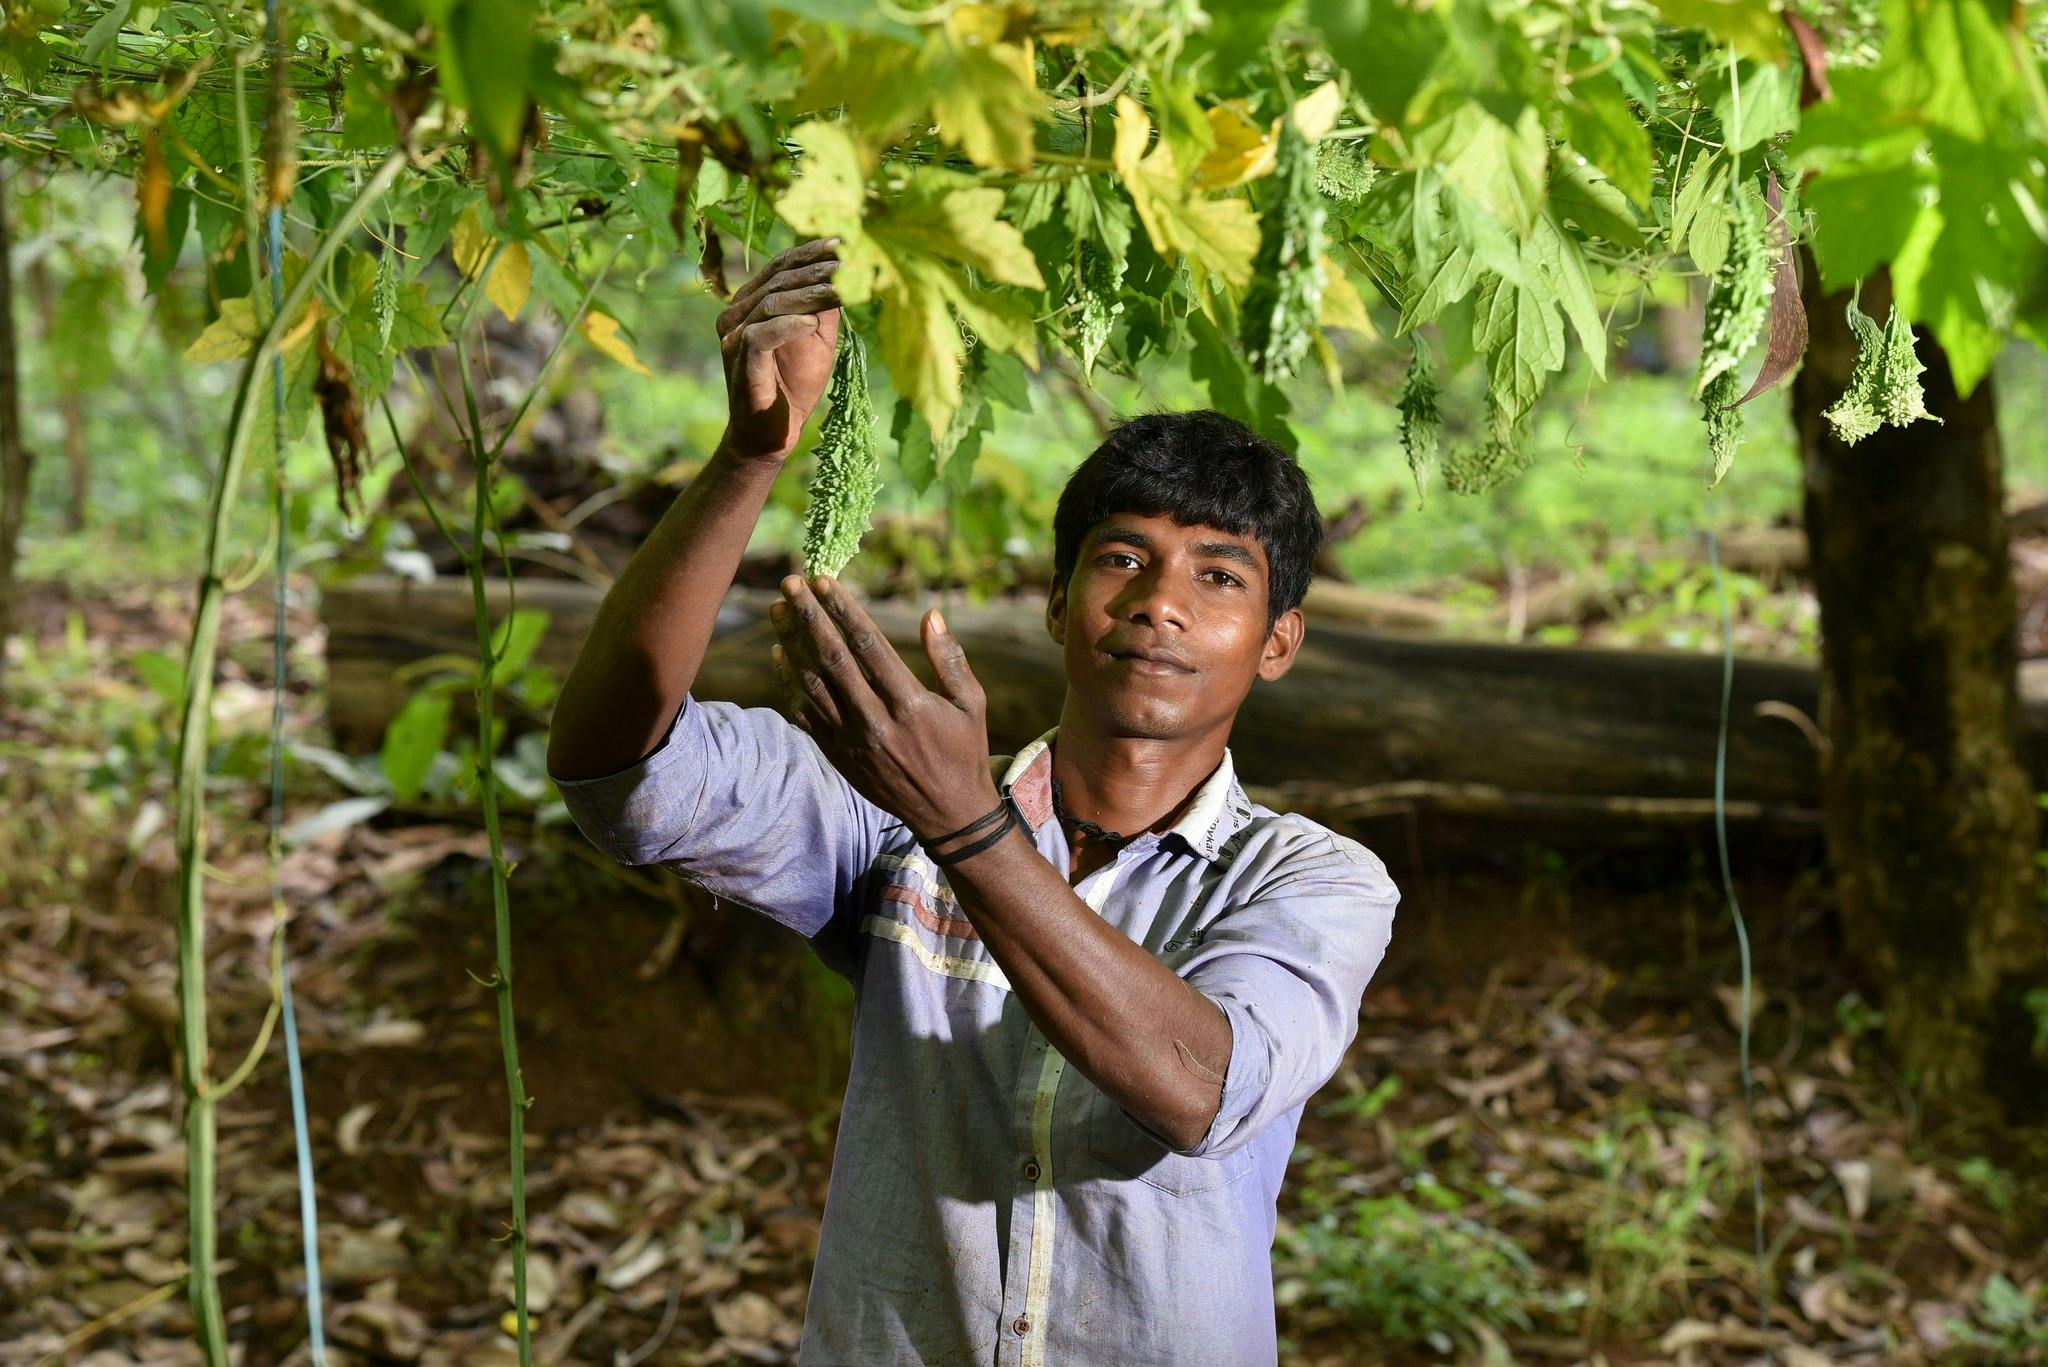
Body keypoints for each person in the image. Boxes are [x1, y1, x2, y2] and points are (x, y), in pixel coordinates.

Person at [545, 235, 1400, 1366]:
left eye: (1218, 576)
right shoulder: (893, 813)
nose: (1159, 605)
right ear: (1055, 603)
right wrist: (749, 460)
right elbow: (615, 769)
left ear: (1277, 641)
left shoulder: (1311, 877)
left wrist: (966, 826)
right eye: (1121, 559)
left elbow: (1199, 1087)